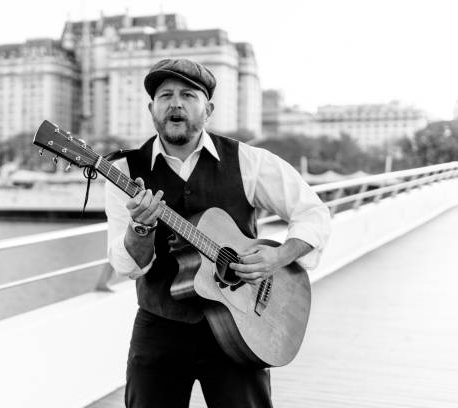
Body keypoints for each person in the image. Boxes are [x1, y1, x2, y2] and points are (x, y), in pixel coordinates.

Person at [104, 58, 331, 408]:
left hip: (243, 326)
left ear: (208, 108)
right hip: (160, 328)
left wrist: (278, 256)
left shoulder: (248, 160)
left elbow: (313, 213)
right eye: (165, 95)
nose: (175, 103)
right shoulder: (124, 173)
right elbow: (126, 265)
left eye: (188, 95)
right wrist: (141, 227)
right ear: (152, 109)